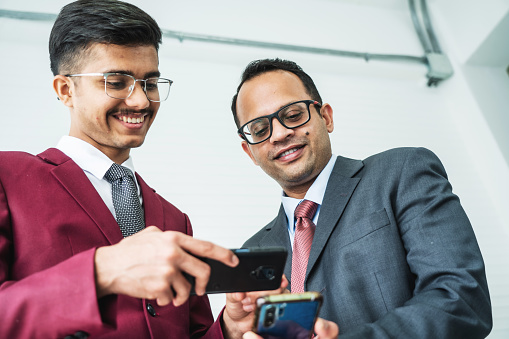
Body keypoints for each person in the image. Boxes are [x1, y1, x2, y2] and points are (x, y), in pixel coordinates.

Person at [0, 1, 280, 338]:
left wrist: (230, 329)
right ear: (66, 90)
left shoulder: (174, 219)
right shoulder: (9, 178)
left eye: (149, 83)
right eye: (116, 82)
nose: (141, 102)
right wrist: (103, 270)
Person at [230, 58, 493, 338]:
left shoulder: (402, 172)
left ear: (326, 117)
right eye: (260, 130)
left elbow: (461, 298)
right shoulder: (253, 252)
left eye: (293, 115)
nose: (280, 133)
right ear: (250, 153)